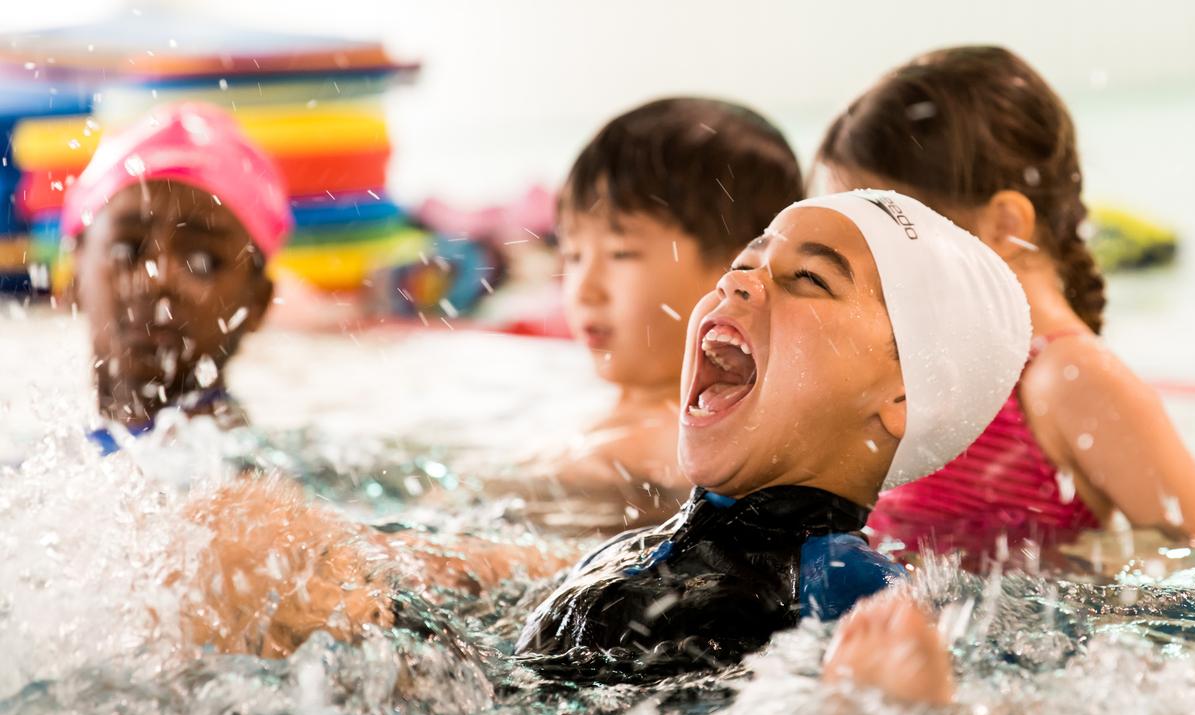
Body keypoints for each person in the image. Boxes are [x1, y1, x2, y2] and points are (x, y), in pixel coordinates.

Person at [182, 190, 1032, 680]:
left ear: (900, 394)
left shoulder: (844, 584)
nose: (742, 282)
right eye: (748, 258)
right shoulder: (661, 542)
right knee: (251, 546)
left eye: (808, 279)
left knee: (244, 549)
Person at [815, 46, 1195, 563]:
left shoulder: (1070, 378)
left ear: (1006, 225)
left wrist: (1096, 563)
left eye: (888, 232)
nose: (862, 260)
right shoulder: (933, 368)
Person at [522, 97, 803, 527]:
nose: (585, 289)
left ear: (739, 272)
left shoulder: (689, 453)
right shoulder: (614, 414)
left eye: (621, 253)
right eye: (574, 254)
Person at [63, 102, 291, 455]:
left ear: (257, 303)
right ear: (74, 277)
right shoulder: (50, 451)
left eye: (202, 261)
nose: (158, 278)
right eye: (127, 251)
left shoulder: (257, 488)